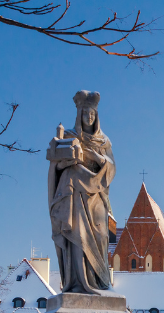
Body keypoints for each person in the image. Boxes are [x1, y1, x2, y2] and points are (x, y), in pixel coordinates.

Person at [47, 90, 115, 294]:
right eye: (85, 113)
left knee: (101, 237)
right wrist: (66, 163)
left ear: (97, 117)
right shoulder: (69, 137)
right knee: (77, 238)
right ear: (79, 115)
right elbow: (56, 168)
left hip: (97, 198)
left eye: (92, 114)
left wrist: (99, 158)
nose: (89, 117)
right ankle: (79, 283)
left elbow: (112, 169)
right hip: (75, 197)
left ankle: (100, 282)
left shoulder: (104, 142)